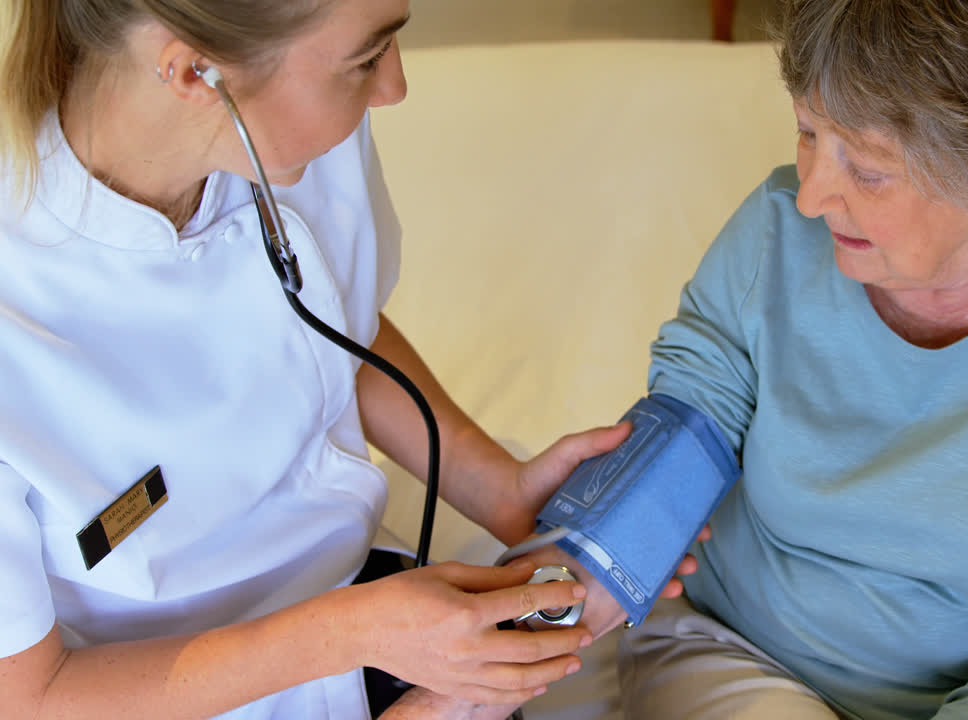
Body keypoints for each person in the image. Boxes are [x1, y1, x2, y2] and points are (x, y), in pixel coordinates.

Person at [0, 1, 699, 718]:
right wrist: (356, 633)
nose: (393, 87)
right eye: (365, 59)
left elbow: (338, 325)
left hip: (368, 607)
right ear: (194, 73)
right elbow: (27, 697)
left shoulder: (303, 146)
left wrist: (499, 489)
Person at [606, 1, 968, 719]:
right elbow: (684, 426)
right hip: (728, 648)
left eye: (867, 169)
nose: (811, 197)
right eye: (807, 132)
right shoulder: (776, 228)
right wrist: (588, 561)